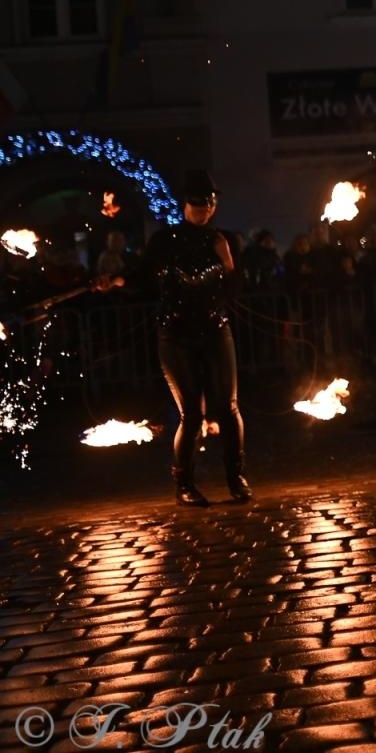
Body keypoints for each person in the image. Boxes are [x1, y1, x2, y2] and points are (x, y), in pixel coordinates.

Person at [143, 170, 251, 505]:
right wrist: (113, 282)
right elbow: (140, 275)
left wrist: (228, 261)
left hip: (216, 329)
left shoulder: (225, 240)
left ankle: (235, 477)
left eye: (209, 202)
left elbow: (236, 288)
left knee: (229, 407)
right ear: (185, 204)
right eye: (196, 202)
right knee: (191, 413)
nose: (203, 208)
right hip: (175, 335)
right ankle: (184, 485)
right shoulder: (165, 240)